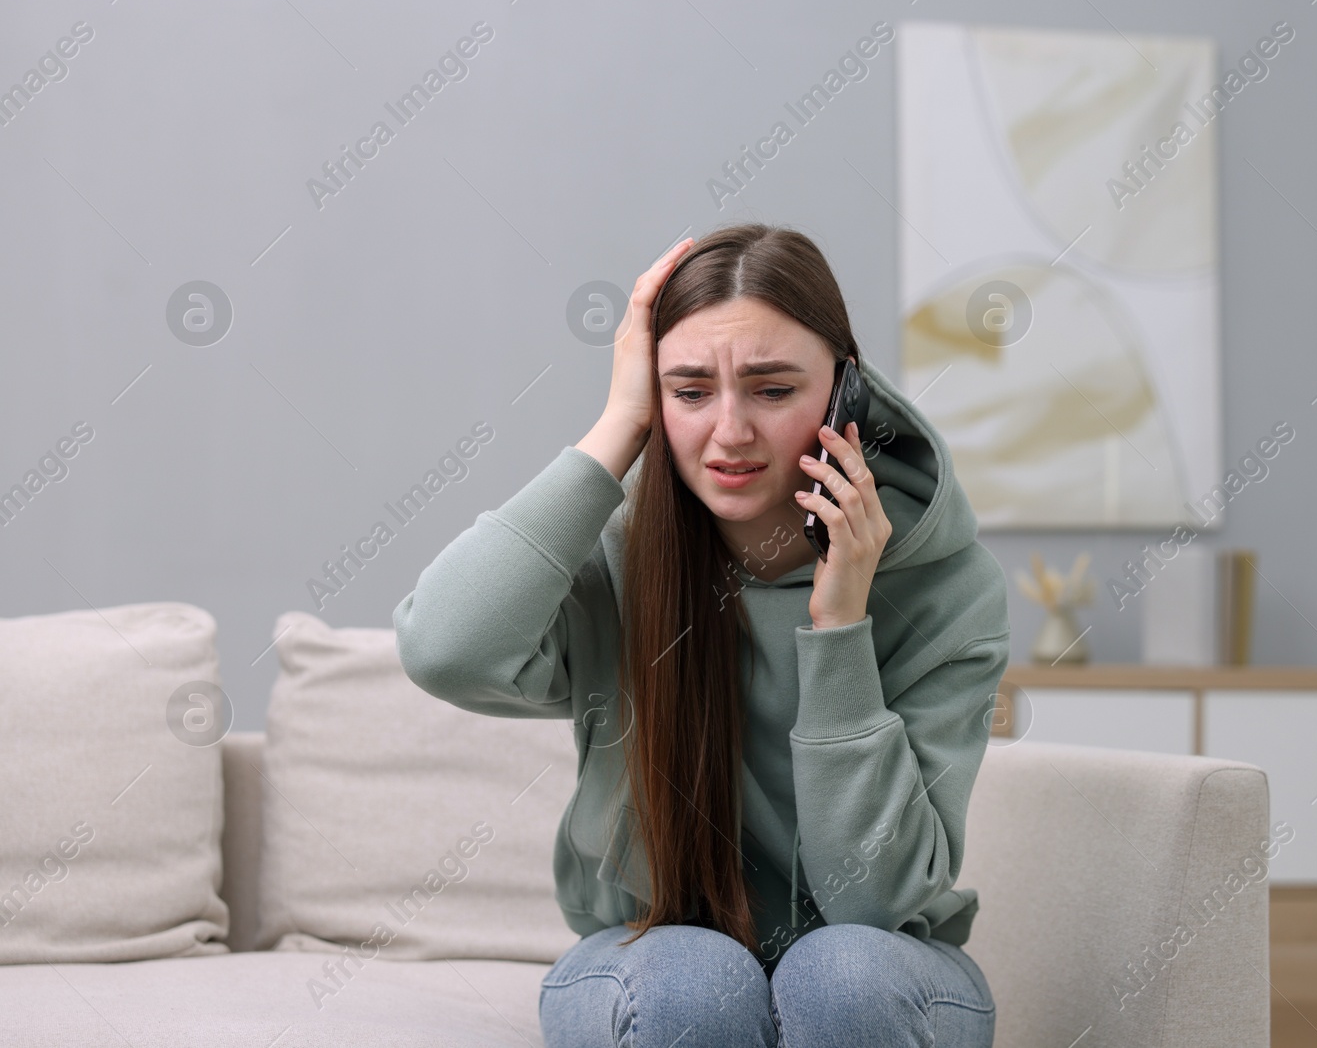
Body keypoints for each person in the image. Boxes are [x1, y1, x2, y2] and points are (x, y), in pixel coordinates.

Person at [393, 223, 1010, 1047]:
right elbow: (445, 648)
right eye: (688, 392)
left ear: (845, 394)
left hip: (888, 971)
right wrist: (618, 428)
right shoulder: (616, 553)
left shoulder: (945, 585)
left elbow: (875, 901)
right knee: (694, 986)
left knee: (841, 976)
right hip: (651, 957)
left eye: (772, 388)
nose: (730, 432)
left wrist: (840, 628)